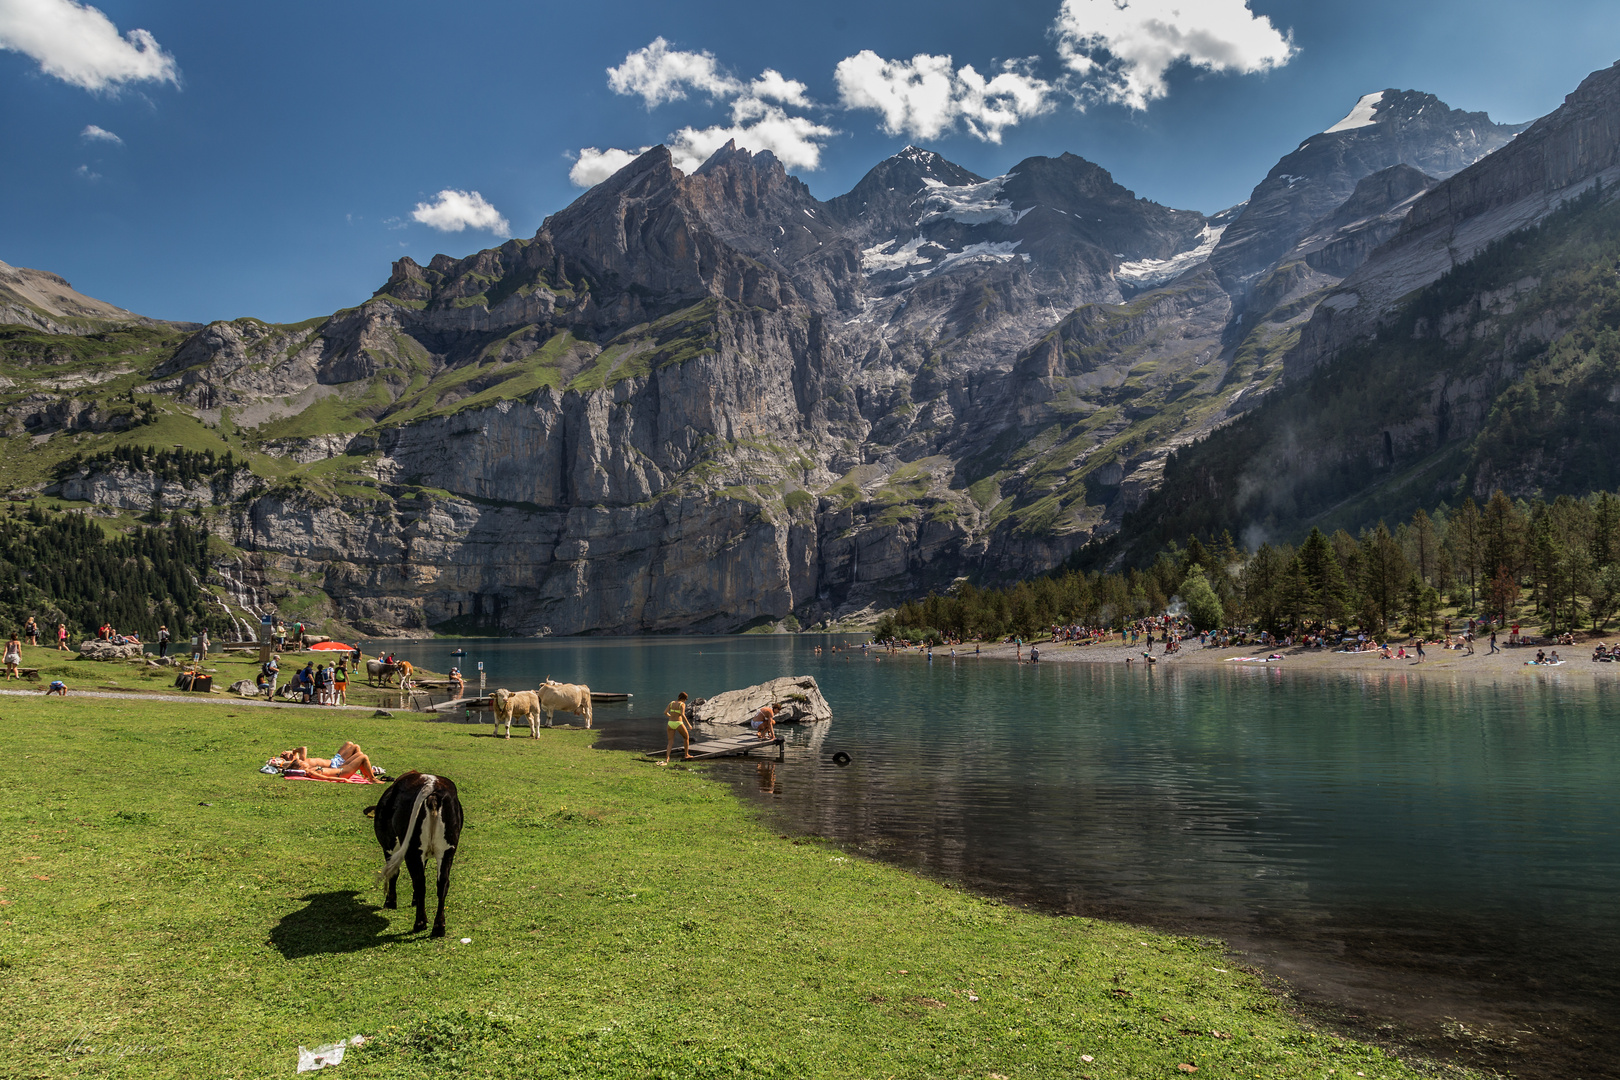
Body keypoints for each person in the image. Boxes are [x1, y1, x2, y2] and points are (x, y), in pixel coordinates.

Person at [282, 741, 381, 783]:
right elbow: (326, 778)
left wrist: (293, 752)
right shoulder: (309, 772)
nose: (301, 760)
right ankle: (372, 778)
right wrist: (344, 780)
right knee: (363, 756)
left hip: (339, 768)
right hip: (342, 772)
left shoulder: (308, 769)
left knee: (359, 753)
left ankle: (367, 774)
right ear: (300, 767)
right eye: (300, 762)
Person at [664, 691, 692, 763]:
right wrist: (688, 724)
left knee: (670, 742)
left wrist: (670, 716)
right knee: (686, 737)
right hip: (678, 723)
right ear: (684, 699)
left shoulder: (672, 703)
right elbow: (682, 715)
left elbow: (665, 712)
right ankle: (686, 754)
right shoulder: (682, 704)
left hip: (670, 723)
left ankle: (667, 758)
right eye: (686, 699)